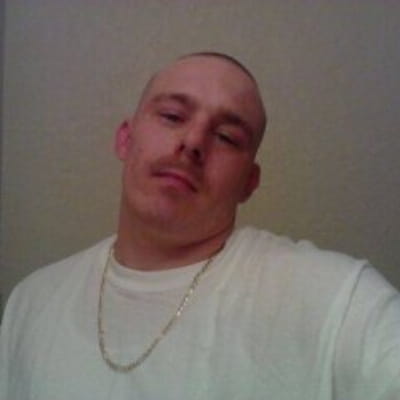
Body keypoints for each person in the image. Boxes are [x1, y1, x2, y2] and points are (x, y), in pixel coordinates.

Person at [1, 52, 399, 400]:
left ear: (249, 183)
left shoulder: (339, 303)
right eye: (172, 116)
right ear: (125, 139)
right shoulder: (31, 301)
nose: (193, 141)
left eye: (226, 137)